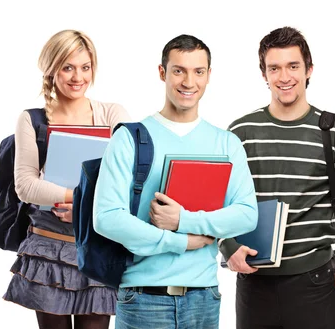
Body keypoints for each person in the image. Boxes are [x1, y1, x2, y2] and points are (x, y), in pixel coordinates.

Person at [92, 34, 258, 329]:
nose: (188, 82)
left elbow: (246, 214)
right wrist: (180, 242)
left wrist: (183, 220)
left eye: (198, 71)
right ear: (162, 73)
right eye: (179, 70)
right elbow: (106, 218)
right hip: (144, 300)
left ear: (209, 76)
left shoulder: (227, 144)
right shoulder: (129, 138)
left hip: (204, 299)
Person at [220, 26, 335, 329]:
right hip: (254, 282)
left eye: (293, 66)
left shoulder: (334, 131)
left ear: (309, 70)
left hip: (315, 280)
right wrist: (227, 245)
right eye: (274, 68)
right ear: (264, 74)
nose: (284, 76)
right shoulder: (240, 132)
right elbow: (217, 198)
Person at [3, 29, 131, 329]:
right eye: (68, 67)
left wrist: (81, 204)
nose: (78, 77)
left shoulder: (113, 114)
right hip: (50, 247)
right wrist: (84, 197)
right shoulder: (32, 119)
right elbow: (26, 186)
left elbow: (128, 180)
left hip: (97, 246)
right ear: (51, 70)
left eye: (85, 67)